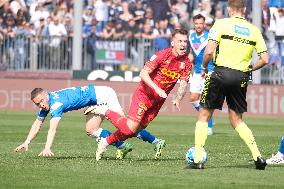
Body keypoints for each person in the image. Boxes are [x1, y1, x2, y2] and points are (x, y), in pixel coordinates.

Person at [85, 29, 192, 161]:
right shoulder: (162, 55)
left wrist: (178, 98)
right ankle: (104, 110)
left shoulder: (186, 63)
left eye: (185, 41)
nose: (183, 44)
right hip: (144, 95)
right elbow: (143, 73)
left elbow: (183, 83)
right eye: (179, 41)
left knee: (133, 131)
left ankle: (105, 142)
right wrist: (156, 88)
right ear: (172, 43)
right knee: (130, 129)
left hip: (157, 103)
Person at [189, 0, 269, 170]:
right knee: (236, 119)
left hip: (220, 73)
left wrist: (203, 67)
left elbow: (209, 51)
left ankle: (197, 160)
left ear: (229, 9)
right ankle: (258, 157)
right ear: (245, 10)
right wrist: (250, 69)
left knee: (204, 115)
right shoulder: (254, 30)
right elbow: (265, 59)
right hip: (240, 76)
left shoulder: (221, 24)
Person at [14, 84, 165, 159]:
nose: (40, 105)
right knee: (91, 129)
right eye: (37, 104)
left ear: (45, 95)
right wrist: (27, 141)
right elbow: (37, 123)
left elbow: (52, 128)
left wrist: (47, 148)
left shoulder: (56, 104)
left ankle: (156, 141)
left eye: (41, 101)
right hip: (94, 101)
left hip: (104, 95)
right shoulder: (48, 102)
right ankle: (123, 146)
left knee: (126, 127)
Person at [188, 14, 215, 135]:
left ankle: (208, 125)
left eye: (201, 23)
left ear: (204, 24)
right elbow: (191, 53)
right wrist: (189, 58)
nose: (199, 25)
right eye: (196, 23)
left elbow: (213, 52)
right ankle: (208, 118)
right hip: (197, 71)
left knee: (205, 99)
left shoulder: (210, 37)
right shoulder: (191, 36)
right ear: (194, 24)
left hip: (209, 70)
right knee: (193, 98)